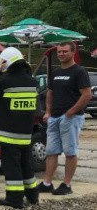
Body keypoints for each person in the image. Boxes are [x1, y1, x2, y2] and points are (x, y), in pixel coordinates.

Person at [0, 47, 39, 208]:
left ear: (7, 63)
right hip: (26, 134)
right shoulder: (32, 82)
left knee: (12, 167)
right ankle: (33, 196)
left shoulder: (5, 81)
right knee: (26, 165)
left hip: (8, 134)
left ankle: (14, 199)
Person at [38, 41, 91, 195]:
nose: (61, 54)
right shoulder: (55, 72)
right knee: (51, 151)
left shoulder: (79, 71)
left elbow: (87, 94)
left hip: (71, 118)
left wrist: (71, 112)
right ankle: (47, 183)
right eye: (59, 52)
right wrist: (47, 111)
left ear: (73, 52)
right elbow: (50, 92)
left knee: (70, 151)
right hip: (54, 118)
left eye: (65, 51)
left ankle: (66, 185)